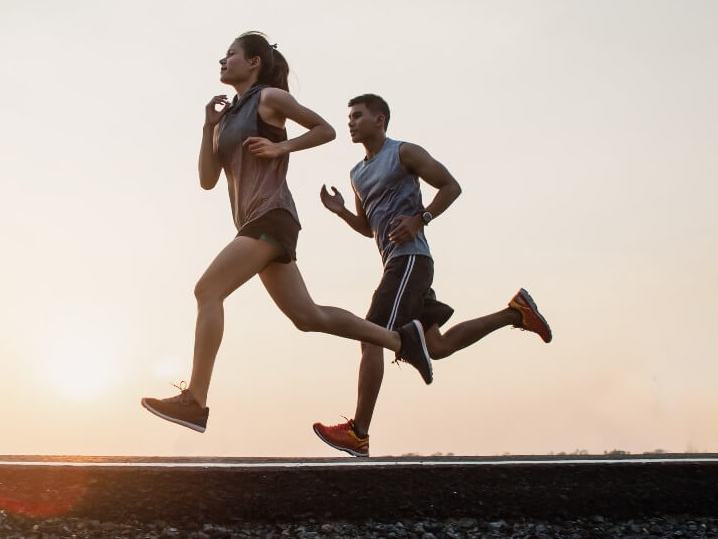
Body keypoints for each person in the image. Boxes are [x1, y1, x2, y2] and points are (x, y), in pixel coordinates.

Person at [141, 35, 433, 434]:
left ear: (254, 62)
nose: (223, 60)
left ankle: (196, 400)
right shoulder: (226, 118)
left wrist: (282, 149)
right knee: (308, 316)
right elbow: (208, 179)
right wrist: (208, 125)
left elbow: (325, 129)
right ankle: (402, 342)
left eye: (231, 54)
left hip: (272, 216)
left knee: (207, 290)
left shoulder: (270, 98)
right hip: (252, 222)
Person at [312, 93, 552, 457]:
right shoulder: (356, 173)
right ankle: (515, 312)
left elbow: (451, 186)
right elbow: (368, 228)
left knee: (371, 336)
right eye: (349, 117)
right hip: (400, 262)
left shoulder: (404, 152)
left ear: (380, 120)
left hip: (410, 261)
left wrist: (419, 219)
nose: (351, 122)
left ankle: (359, 432)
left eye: (358, 116)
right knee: (437, 347)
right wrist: (342, 211)